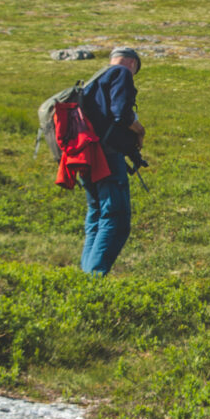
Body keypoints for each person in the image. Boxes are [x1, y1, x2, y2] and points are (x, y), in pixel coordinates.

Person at [77, 47, 144, 274]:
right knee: (116, 218)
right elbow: (121, 113)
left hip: (87, 156)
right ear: (133, 64)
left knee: (96, 214)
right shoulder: (121, 74)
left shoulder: (94, 80)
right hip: (108, 156)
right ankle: (94, 277)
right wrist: (139, 130)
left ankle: (86, 274)